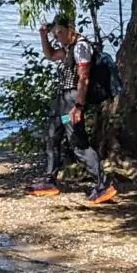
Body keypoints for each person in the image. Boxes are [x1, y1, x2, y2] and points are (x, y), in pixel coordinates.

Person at [28, 16, 118, 205]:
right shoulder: (69, 47)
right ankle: (49, 181)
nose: (57, 36)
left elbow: (83, 79)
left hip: (72, 101)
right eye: (55, 34)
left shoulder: (81, 47)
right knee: (52, 137)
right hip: (62, 101)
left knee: (78, 144)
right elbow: (51, 55)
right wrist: (43, 35)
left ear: (70, 29)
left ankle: (103, 183)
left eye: (60, 32)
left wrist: (78, 107)